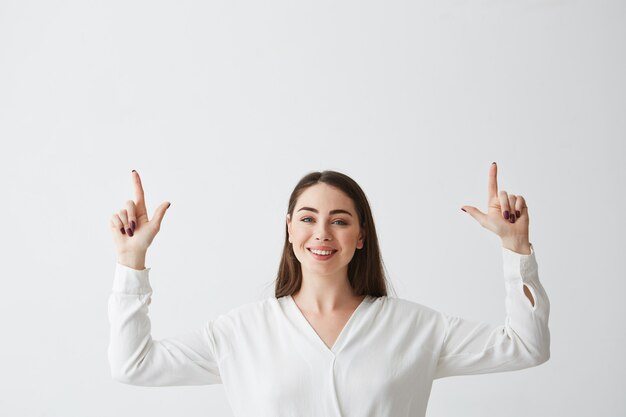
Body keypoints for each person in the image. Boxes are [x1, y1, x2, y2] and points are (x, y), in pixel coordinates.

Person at [108, 163, 550, 417]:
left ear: (360, 235)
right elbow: (134, 365)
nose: (322, 233)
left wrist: (516, 249)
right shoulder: (240, 332)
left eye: (339, 220)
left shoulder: (415, 327)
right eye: (307, 218)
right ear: (288, 229)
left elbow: (527, 347)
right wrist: (132, 262)